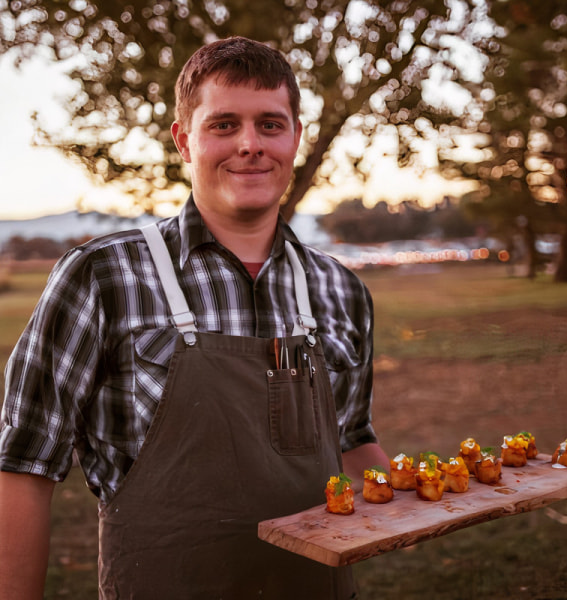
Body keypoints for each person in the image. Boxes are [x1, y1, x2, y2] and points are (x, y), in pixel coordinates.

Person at [0, 36, 389, 599]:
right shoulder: (102, 276)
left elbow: (350, 439)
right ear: (185, 141)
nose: (251, 145)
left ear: (296, 138)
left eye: (271, 124)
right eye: (224, 124)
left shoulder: (341, 289)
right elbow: (24, 465)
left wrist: (425, 485)